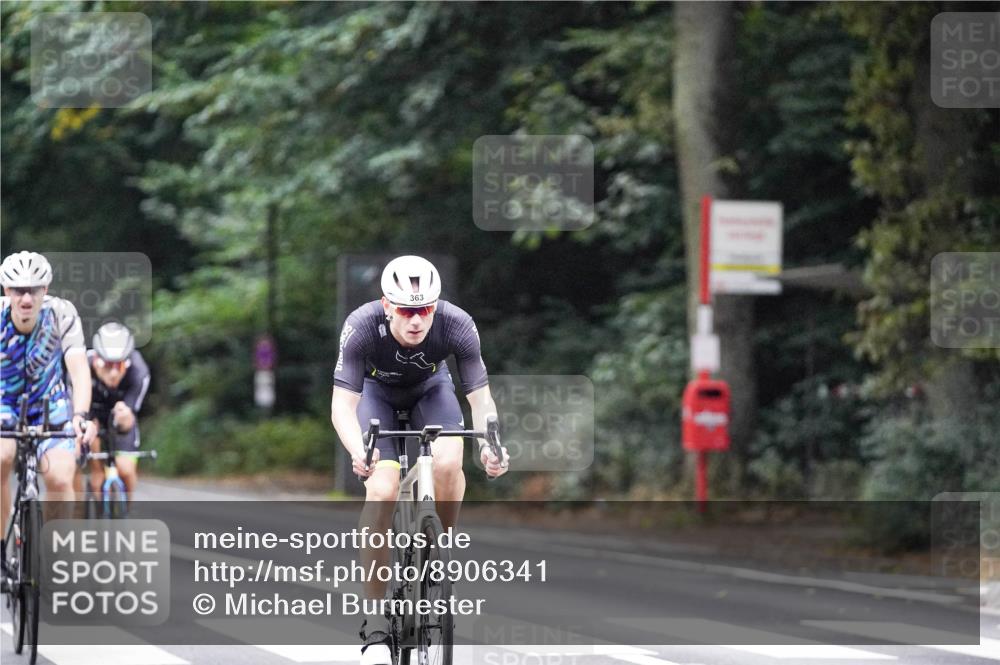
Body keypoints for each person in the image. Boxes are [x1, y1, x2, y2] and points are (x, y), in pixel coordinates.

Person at [330, 255, 509, 664]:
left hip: (432, 390)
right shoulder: (361, 325)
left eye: (425, 309)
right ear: (388, 305)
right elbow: (343, 405)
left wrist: (491, 445)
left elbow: (480, 399)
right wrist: (359, 450)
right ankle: (375, 623)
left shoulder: (457, 323)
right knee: (383, 489)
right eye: (408, 310)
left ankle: (439, 551)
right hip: (376, 397)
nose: (417, 320)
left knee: (449, 462)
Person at [0, 251, 97, 589]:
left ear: (46, 288)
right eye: (17, 290)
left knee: (59, 477)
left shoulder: (61, 314)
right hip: (3, 401)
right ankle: (2, 551)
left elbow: (79, 371)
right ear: (6, 289)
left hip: (51, 402)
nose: (26, 298)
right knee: (1, 457)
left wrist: (80, 415)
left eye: (34, 289)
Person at [86, 322, 151, 503]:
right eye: (107, 365)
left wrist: (124, 416)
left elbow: (129, 420)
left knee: (126, 470)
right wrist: (96, 469)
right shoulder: (83, 367)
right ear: (97, 359)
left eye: (119, 366)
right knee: (84, 464)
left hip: (121, 418)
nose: (114, 374)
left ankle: (126, 512)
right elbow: (80, 414)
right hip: (91, 416)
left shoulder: (139, 372)